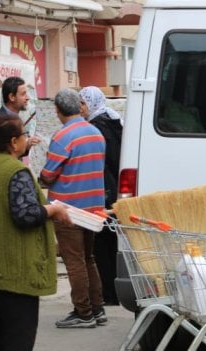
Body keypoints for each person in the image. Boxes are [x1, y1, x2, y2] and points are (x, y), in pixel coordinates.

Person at [0, 113, 71, 350]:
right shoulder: (14, 171)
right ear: (13, 142)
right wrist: (53, 209)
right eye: (24, 135)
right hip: (14, 275)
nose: (27, 139)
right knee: (17, 339)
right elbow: (26, 215)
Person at [40, 88, 108, 328]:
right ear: (80, 106)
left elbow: (48, 174)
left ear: (58, 111)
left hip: (67, 209)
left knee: (75, 261)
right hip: (94, 209)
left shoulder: (62, 137)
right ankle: (98, 309)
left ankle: (83, 312)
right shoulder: (96, 134)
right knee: (89, 259)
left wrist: (40, 180)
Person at [78, 86, 123, 306]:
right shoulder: (112, 121)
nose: (80, 108)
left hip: (103, 190)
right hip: (112, 189)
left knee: (102, 243)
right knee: (110, 241)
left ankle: (109, 292)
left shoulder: (98, 128)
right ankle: (112, 290)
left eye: (83, 103)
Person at [0, 76, 40, 151]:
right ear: (12, 97)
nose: (28, 98)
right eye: (23, 94)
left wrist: (27, 145)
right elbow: (3, 155)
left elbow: (13, 153)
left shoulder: (13, 118)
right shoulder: (0, 123)